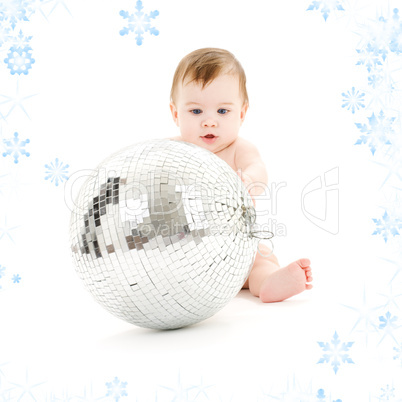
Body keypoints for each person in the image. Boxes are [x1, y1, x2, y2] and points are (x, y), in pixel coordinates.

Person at [168, 48, 312, 302]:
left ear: (242, 113)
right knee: (165, 264)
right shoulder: (171, 151)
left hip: (237, 248)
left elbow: (258, 169)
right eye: (196, 111)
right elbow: (144, 171)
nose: (209, 121)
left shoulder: (238, 150)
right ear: (176, 113)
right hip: (185, 250)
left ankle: (269, 282)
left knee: (260, 260)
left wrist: (248, 181)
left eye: (223, 111)